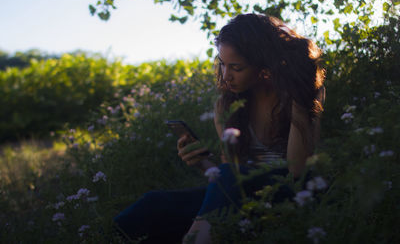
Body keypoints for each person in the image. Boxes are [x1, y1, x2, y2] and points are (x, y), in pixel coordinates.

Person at [113, 13, 326, 244]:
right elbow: (228, 174)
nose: (226, 76)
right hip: (244, 196)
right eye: (222, 64)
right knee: (153, 204)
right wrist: (202, 161)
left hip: (291, 194)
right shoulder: (227, 106)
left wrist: (299, 97)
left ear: (263, 64)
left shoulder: (299, 96)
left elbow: (297, 170)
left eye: (236, 67)